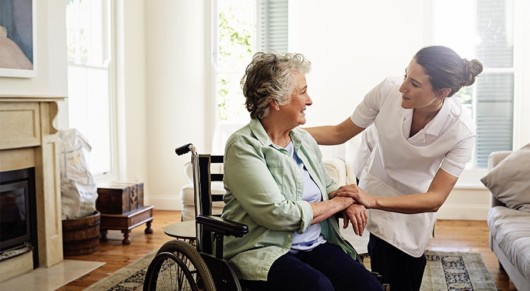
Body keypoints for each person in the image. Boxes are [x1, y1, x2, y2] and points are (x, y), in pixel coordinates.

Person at [305, 45, 484, 291]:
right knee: (379, 272)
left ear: (442, 92)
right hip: (377, 187)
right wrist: (286, 131)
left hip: (413, 205)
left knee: (405, 276)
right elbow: (339, 132)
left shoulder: (461, 130)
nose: (403, 87)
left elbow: (435, 198)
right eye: (405, 76)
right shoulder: (388, 90)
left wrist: (371, 200)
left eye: (415, 84)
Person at [221, 52, 384, 291]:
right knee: (319, 287)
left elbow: (327, 187)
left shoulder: (303, 140)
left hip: (313, 244)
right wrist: (340, 203)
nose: (309, 101)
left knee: (367, 286)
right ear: (276, 101)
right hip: (264, 250)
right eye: (302, 92)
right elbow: (278, 214)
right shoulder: (244, 146)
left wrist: (350, 199)